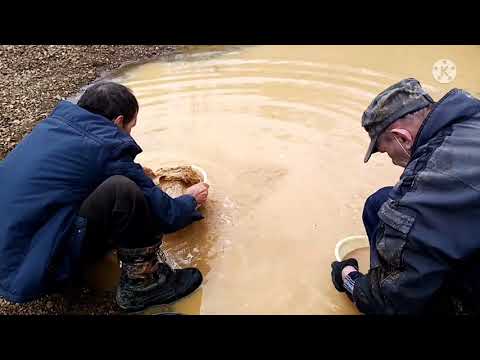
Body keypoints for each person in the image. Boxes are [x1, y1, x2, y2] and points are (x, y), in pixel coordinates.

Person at [0, 81, 209, 312]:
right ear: (119, 121)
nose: (130, 133)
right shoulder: (109, 147)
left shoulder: (54, 127)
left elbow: (80, 173)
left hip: (10, 252)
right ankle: (143, 286)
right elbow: (167, 216)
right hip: (30, 272)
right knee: (123, 189)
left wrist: (132, 169)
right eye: (131, 126)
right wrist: (190, 200)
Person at [331, 78, 480, 314]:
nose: (389, 158)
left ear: (402, 138)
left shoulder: (427, 182)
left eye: (383, 149)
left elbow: (386, 302)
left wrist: (347, 277)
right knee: (380, 203)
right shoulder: (471, 118)